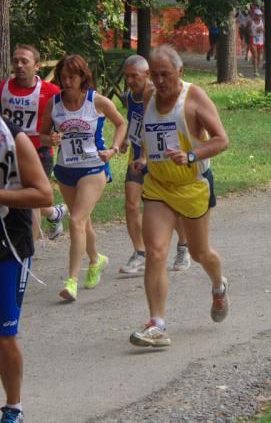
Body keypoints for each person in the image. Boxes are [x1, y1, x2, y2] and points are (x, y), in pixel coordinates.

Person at [129, 46, 230, 347]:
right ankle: (156, 324)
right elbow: (152, 134)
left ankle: (218, 284)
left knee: (200, 254)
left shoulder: (194, 97)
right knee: (156, 252)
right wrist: (145, 158)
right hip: (159, 186)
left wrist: (190, 155)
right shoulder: (147, 96)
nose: (159, 81)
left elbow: (222, 141)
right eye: (155, 75)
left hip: (193, 185)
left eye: (165, 74)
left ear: (180, 72)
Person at [40, 55, 126, 301]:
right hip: (66, 169)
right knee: (84, 222)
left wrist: (113, 149)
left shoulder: (96, 101)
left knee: (76, 220)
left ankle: (71, 281)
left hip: (93, 168)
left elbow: (121, 124)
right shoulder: (54, 104)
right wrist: (51, 139)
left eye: (72, 77)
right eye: (63, 77)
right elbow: (43, 134)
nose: (67, 82)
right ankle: (96, 259)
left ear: (82, 77)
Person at [0, 116, 53, 423]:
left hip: (9, 246)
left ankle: (13, 407)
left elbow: (44, 195)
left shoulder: (13, 138)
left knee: (4, 336)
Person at [118, 55, 192, 274]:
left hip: (160, 158)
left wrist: (148, 157)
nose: (130, 81)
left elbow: (166, 128)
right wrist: (128, 140)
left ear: (146, 74)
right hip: (137, 156)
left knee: (173, 207)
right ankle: (139, 253)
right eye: (127, 76)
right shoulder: (131, 96)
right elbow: (136, 122)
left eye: (134, 76)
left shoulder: (158, 95)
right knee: (131, 204)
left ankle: (183, 248)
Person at [1, 44, 67, 242]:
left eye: (24, 61)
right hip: (9, 153)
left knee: (31, 199)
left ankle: (28, 248)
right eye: (16, 61)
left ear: (37, 66)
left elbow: (65, 117)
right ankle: (54, 213)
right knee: (14, 198)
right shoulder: (3, 87)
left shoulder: (51, 91)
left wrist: (58, 133)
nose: (19, 65)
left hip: (38, 151)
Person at [248, 10, 265, 76]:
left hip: (260, 40)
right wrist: (250, 32)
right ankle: (255, 70)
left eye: (260, 15)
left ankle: (257, 68)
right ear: (254, 15)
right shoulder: (251, 22)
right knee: (255, 55)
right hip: (253, 39)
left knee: (259, 56)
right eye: (257, 15)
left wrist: (261, 29)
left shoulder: (262, 21)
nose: (259, 16)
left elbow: (264, 30)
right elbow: (248, 29)